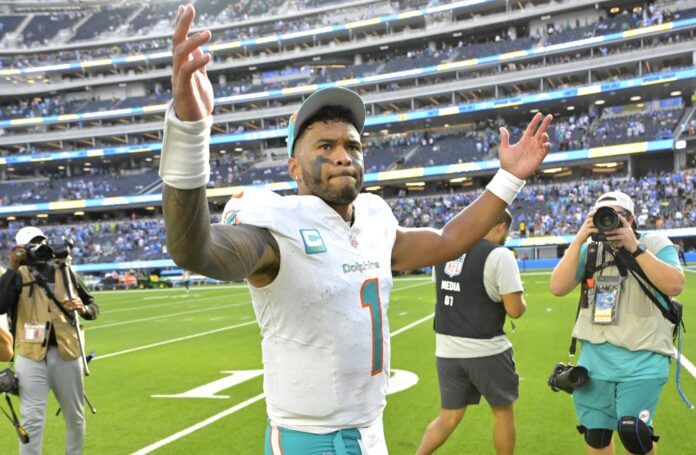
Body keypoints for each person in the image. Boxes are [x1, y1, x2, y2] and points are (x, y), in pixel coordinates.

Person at [159, 4, 552, 453]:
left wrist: (509, 179)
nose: (343, 155)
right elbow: (195, 250)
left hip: (370, 429)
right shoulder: (275, 226)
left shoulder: (373, 219)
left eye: (352, 145)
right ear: (293, 166)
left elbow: (448, 241)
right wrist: (190, 132)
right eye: (325, 145)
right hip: (308, 437)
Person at [549, 192, 684, 455]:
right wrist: (579, 238)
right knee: (596, 436)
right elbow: (557, 287)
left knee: (634, 434)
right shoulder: (589, 250)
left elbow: (675, 285)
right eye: (602, 215)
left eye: (615, 214)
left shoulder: (654, 243)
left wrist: (634, 247)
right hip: (595, 359)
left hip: (643, 357)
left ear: (631, 218)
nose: (608, 221)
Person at [417, 210, 526, 455]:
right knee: (503, 413)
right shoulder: (499, 254)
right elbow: (515, 310)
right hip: (485, 348)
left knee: (449, 416)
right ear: (500, 227)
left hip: (446, 349)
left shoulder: (445, 250)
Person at [0, 227, 100, 455]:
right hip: (30, 354)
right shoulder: (15, 275)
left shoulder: (65, 271)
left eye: (40, 242)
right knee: (31, 419)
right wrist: (12, 267)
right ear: (20, 249)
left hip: (67, 351)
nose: (37, 248)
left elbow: (93, 306)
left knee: (75, 416)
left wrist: (83, 308)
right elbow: (0, 306)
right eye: (31, 245)